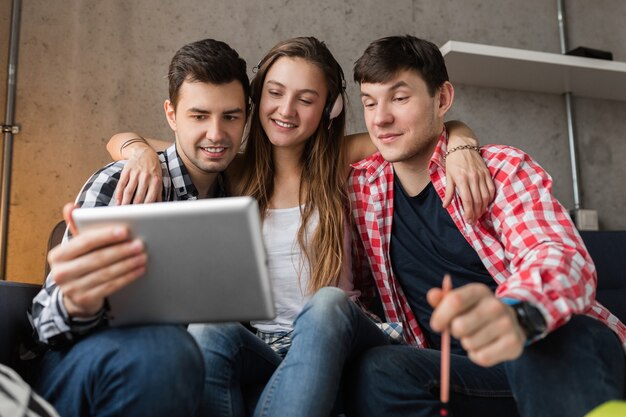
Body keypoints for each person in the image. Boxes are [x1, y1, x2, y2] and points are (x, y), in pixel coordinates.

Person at [106, 37, 495, 417]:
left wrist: (461, 143)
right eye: (275, 93)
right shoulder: (236, 169)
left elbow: (426, 130)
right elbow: (128, 140)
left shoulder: (341, 160)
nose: (286, 110)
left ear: (330, 107)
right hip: (264, 342)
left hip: (338, 330)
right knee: (210, 330)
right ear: (256, 99)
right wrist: (138, 152)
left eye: (306, 100)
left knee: (326, 302)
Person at [340, 35, 626, 417]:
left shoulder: (501, 169)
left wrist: (514, 314)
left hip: (550, 345)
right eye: (370, 102)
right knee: (378, 370)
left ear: (442, 99)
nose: (380, 118)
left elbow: (556, 254)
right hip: (466, 374)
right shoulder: (361, 190)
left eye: (399, 98)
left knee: (549, 338)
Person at [26, 38, 253, 417]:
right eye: (199, 116)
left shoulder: (240, 198)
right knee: (169, 349)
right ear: (171, 114)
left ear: (246, 116)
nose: (216, 134)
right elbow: (45, 325)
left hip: (183, 369)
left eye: (230, 116)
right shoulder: (124, 180)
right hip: (89, 360)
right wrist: (78, 301)